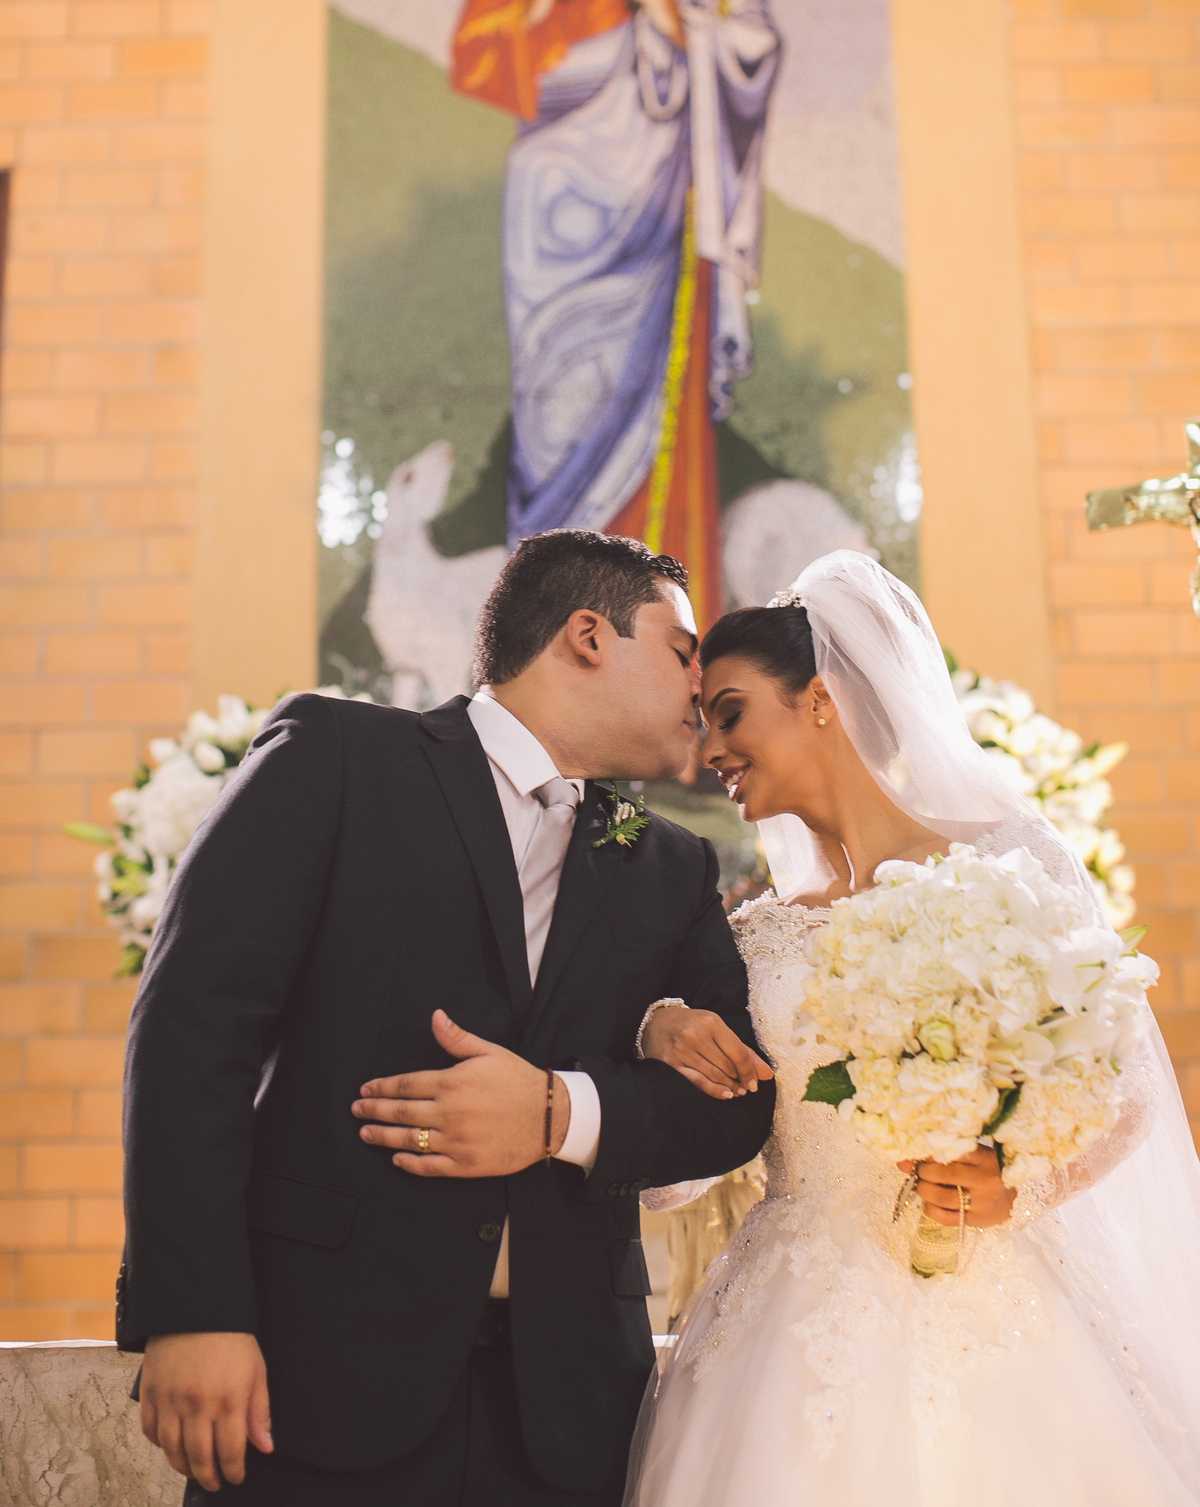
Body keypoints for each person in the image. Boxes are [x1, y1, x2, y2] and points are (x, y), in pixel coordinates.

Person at [118, 530, 775, 1505]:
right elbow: (191, 1032)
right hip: (316, 1379)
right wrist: (193, 1312)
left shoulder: (669, 863)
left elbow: (738, 1103)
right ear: (588, 636)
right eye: (683, 652)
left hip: (567, 1415)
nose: (700, 685)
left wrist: (561, 1114)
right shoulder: (337, 759)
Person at [627, 550, 1200, 1506]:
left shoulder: (1006, 862)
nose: (709, 750)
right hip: (786, 1321)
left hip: (996, 1304)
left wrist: (1014, 1186)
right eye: (702, 723)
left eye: (729, 712)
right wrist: (656, 1034)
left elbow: (1128, 1085)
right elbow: (686, 1163)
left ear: (819, 699)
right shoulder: (751, 936)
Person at [453, 0, 780, 622]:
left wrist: (679, 26)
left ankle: (666, 633)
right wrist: (536, 10)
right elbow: (478, 65)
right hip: (551, 226)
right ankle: (555, 633)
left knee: (655, 403)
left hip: (655, 217)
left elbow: (748, 52)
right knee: (556, 414)